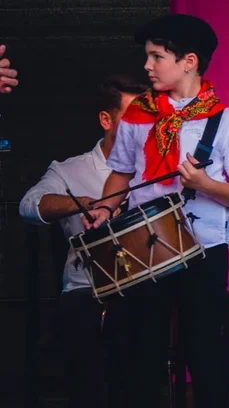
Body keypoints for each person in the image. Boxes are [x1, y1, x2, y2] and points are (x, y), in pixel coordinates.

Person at [82, 14, 229, 408]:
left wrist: (206, 184)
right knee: (142, 352)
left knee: (205, 352)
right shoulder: (137, 116)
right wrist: (104, 209)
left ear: (189, 62)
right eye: (147, 56)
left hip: (205, 251)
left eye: (157, 56)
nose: (147, 66)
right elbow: (121, 175)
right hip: (144, 249)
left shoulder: (225, 120)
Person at [19, 75, 147, 407]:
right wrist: (85, 204)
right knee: (82, 318)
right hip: (88, 290)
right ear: (106, 120)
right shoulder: (70, 170)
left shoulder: (158, 166)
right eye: (133, 117)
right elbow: (29, 205)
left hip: (149, 286)